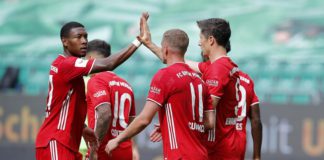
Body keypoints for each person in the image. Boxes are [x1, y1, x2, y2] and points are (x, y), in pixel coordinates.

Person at [35, 13, 149, 160]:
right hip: (55, 140)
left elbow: (63, 105)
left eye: (85, 37)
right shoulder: (66, 64)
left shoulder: (74, 74)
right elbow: (109, 64)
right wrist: (139, 41)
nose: (84, 41)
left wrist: (82, 128)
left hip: (68, 143)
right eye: (78, 37)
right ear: (65, 41)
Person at [140, 17, 250, 159]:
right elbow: (176, 59)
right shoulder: (221, 66)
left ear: (210, 40)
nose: (199, 43)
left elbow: (205, 110)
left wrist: (177, 123)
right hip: (228, 143)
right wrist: (149, 44)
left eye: (201, 38)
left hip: (219, 148)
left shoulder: (217, 70)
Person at [106, 29, 216, 160]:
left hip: (179, 155)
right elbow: (210, 123)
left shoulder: (165, 75)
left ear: (165, 49)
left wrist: (118, 140)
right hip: (201, 155)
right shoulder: (200, 80)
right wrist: (176, 126)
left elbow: (144, 119)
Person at [84, 39, 139, 160]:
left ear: (90, 58)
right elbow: (132, 122)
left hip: (103, 151)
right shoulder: (126, 85)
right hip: (124, 151)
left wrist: (94, 148)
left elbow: (105, 114)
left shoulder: (96, 80)